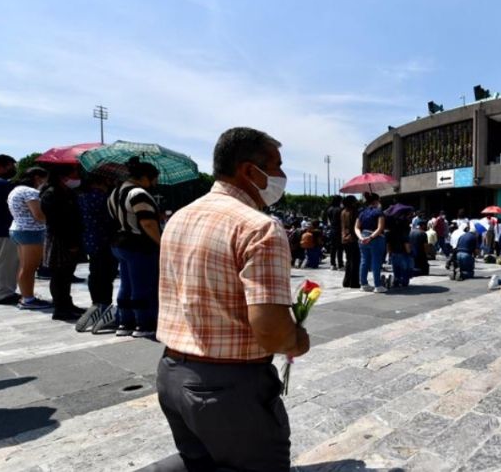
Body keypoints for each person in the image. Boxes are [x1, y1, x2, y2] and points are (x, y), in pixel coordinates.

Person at [156, 127, 310, 471]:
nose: (281, 176)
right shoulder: (259, 228)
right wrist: (297, 340)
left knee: (200, 464)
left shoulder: (180, 217)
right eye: (276, 165)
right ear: (248, 170)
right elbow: (271, 331)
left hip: (172, 373)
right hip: (228, 387)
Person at [108, 157, 161, 338]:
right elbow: (147, 223)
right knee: (143, 285)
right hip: (139, 245)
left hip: (119, 243)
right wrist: (161, 243)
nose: (155, 183)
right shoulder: (138, 193)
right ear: (145, 177)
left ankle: (125, 322)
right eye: (154, 178)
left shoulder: (115, 192)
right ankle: (144, 324)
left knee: (127, 284)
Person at [39, 166, 86, 320]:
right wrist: (70, 243)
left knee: (66, 275)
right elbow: (57, 222)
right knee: (59, 276)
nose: (76, 177)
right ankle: (60, 308)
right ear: (62, 176)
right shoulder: (51, 194)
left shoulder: (67, 192)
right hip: (60, 239)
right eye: (74, 174)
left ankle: (67, 304)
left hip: (69, 237)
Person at [75, 174, 118, 332]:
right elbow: (112, 219)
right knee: (107, 275)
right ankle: (105, 305)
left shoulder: (81, 197)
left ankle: (96, 303)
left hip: (90, 240)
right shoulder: (104, 198)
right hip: (105, 240)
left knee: (95, 272)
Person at [7, 167, 51, 309]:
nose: (45, 182)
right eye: (45, 179)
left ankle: (26, 296)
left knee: (24, 266)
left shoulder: (16, 190)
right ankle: (28, 299)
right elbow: (38, 215)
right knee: (29, 268)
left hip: (18, 229)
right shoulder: (31, 192)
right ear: (38, 178)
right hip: (30, 231)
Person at [0, 155, 20, 305]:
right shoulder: (2, 185)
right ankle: (3, 293)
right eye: (9, 166)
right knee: (5, 263)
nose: (13, 169)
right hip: (2, 228)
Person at [355, 192, 386, 292]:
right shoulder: (379, 212)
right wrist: (371, 237)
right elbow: (380, 228)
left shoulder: (362, 212)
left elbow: (356, 227)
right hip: (375, 238)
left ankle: (363, 284)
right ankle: (377, 285)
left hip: (362, 237)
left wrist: (361, 237)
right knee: (376, 261)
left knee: (364, 261)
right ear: (376, 201)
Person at [386, 211, 414, 287]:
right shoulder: (404, 231)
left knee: (396, 268)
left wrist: (389, 253)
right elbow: (406, 243)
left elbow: (388, 244)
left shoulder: (390, 231)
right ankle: (404, 281)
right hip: (403, 253)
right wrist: (409, 252)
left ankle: (397, 280)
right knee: (404, 269)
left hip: (394, 252)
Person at [341, 195, 360, 288]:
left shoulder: (343, 212)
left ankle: (346, 281)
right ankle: (354, 282)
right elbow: (354, 226)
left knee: (349, 261)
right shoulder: (354, 212)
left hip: (344, 238)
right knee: (355, 261)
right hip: (353, 238)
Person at [326, 195, 344, 270]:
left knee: (333, 247)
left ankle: (332, 264)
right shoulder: (340, 209)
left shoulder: (329, 209)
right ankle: (340, 264)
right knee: (340, 248)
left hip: (332, 229)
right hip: (339, 229)